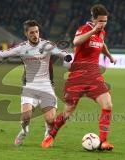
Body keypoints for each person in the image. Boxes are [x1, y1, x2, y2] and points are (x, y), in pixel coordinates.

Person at [0, 20, 72, 146]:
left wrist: (67, 56)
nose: (35, 34)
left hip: (46, 86)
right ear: (26, 33)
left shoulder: (46, 45)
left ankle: (47, 131)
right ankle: (24, 131)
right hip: (29, 86)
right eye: (32, 32)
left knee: (51, 120)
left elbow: (60, 52)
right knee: (26, 117)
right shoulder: (22, 47)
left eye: (36, 31)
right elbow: (4, 53)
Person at [41, 4, 116, 150]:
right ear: (93, 19)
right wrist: (93, 30)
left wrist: (109, 56)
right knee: (68, 112)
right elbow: (76, 41)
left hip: (94, 75)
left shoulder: (102, 32)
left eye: (105, 21)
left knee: (108, 105)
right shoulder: (84, 29)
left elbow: (102, 44)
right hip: (78, 76)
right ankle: (51, 135)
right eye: (100, 21)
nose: (103, 24)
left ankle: (103, 141)